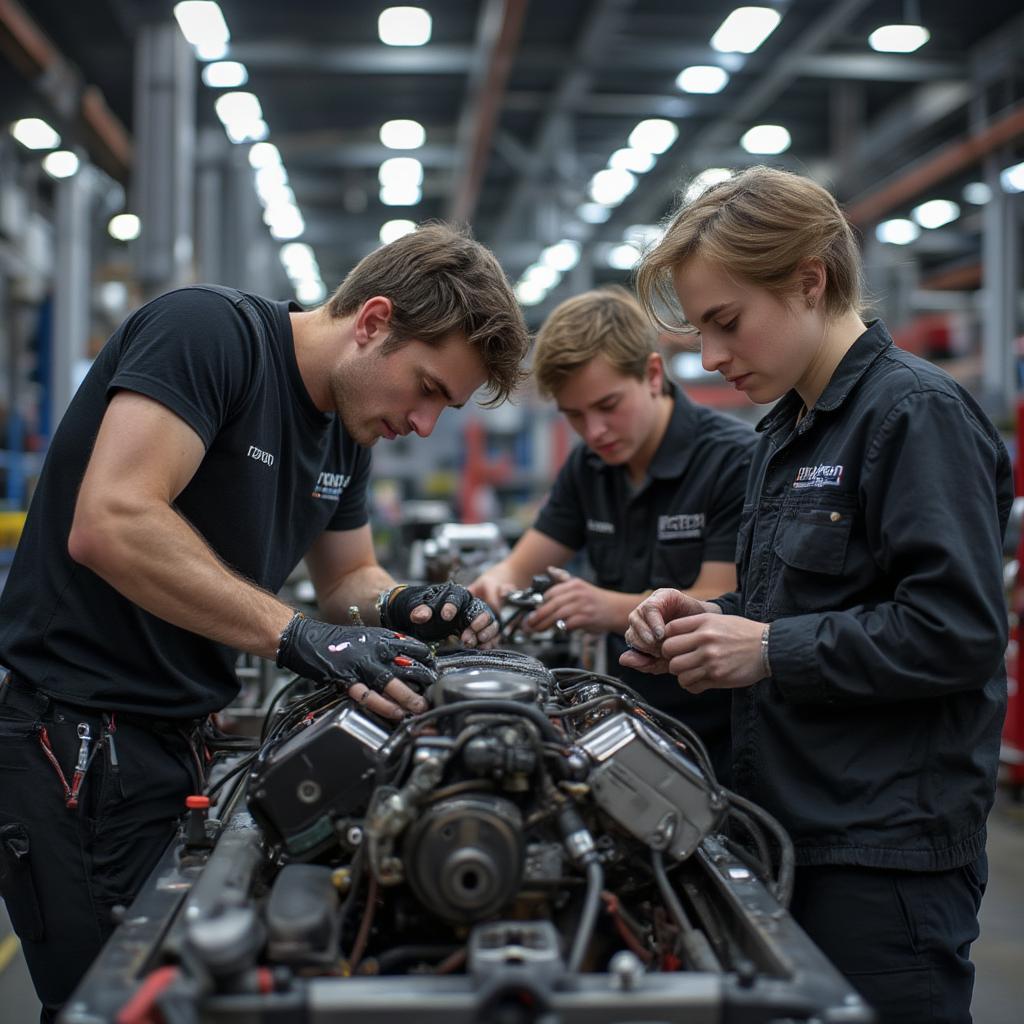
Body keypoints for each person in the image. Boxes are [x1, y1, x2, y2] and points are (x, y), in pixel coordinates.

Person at [0, 222, 530, 1020]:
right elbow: (112, 520)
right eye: (426, 389)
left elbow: (347, 576)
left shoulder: (345, 430)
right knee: (114, 1004)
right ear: (374, 320)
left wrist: (400, 607)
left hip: (175, 740)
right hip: (77, 741)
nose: (424, 424)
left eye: (443, 408)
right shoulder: (209, 334)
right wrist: (300, 635)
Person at [622, 165, 1009, 1024]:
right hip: (785, 831)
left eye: (727, 324)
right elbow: (789, 610)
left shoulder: (915, 416)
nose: (713, 360)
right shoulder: (785, 437)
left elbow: (957, 632)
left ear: (809, 279)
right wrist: (702, 620)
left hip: (882, 861)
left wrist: (763, 650)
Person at [470, 286, 754, 778]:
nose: (594, 431)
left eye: (607, 405)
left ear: (651, 374)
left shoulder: (732, 460)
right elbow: (518, 567)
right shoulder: (589, 465)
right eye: (575, 415)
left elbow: (717, 600)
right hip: (622, 723)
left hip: (717, 739)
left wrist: (603, 608)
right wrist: (490, 590)